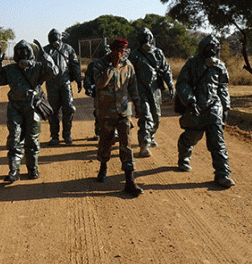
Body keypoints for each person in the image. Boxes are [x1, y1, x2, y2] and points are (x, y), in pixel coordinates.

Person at [0, 39, 58, 182]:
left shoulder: (38, 68)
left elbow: (54, 72)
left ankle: (32, 169)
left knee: (32, 139)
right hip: (15, 107)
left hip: (32, 108)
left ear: (31, 53)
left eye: (26, 51)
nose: (23, 54)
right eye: (19, 52)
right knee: (14, 138)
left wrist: (45, 56)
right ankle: (14, 171)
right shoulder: (10, 69)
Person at [175, 34, 235, 188]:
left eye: (214, 48)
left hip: (214, 107)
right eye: (208, 48)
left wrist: (225, 107)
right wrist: (190, 101)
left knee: (217, 140)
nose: (211, 51)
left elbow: (222, 88)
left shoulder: (220, 66)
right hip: (195, 106)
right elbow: (182, 84)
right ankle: (184, 157)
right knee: (192, 136)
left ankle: (222, 174)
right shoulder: (192, 63)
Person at [93, 38, 144, 197]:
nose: (122, 54)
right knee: (105, 141)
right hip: (106, 111)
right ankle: (103, 166)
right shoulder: (99, 65)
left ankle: (130, 180)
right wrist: (112, 67)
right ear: (113, 50)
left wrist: (137, 105)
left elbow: (133, 87)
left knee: (126, 143)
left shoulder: (128, 66)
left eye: (124, 51)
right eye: (119, 51)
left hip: (123, 111)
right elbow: (100, 83)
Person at [129, 27, 175, 158]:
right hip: (141, 90)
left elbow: (166, 69)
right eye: (143, 37)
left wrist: (170, 84)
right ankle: (144, 145)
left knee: (156, 117)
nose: (146, 40)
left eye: (147, 37)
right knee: (145, 116)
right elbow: (129, 73)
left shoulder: (158, 53)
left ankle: (151, 135)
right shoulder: (135, 55)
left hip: (155, 90)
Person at [43, 29, 82, 145]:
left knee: (69, 108)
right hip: (51, 84)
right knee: (53, 111)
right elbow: (39, 66)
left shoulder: (68, 48)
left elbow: (75, 64)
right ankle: (54, 136)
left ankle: (67, 135)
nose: (56, 41)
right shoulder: (45, 50)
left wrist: (79, 79)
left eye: (57, 38)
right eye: (53, 39)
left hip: (65, 83)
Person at [83, 44, 110, 141]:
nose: (104, 53)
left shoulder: (113, 63)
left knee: (113, 113)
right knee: (98, 112)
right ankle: (98, 132)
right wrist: (88, 87)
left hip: (112, 93)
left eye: (106, 51)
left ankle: (112, 133)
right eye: (103, 51)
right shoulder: (94, 64)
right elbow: (88, 77)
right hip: (98, 92)